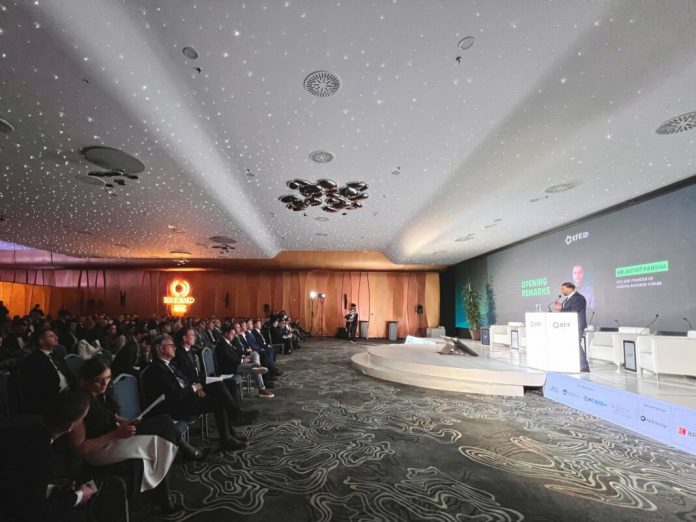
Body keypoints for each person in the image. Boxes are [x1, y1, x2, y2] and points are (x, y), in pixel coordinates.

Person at [67, 358, 196, 513]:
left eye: (108, 378)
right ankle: (165, 490)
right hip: (98, 451)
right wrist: (115, 434)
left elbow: (107, 415)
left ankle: (163, 493)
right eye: (99, 380)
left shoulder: (100, 394)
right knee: (159, 439)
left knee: (164, 422)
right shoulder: (79, 403)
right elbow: (80, 449)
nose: (105, 384)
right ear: (86, 380)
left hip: (113, 437)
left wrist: (123, 421)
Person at [0, 389, 97, 522]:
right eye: (82, 419)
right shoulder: (42, 456)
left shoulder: (15, 427)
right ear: (69, 426)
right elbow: (37, 512)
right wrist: (78, 496)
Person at [141, 334, 247, 451]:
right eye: (171, 345)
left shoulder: (171, 364)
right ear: (160, 348)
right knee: (219, 401)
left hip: (187, 396)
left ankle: (231, 424)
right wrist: (193, 388)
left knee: (218, 385)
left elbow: (185, 380)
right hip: (177, 406)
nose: (174, 348)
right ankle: (229, 432)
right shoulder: (156, 369)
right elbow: (172, 396)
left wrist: (196, 388)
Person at [20, 328, 78, 414]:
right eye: (51, 336)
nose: (56, 338)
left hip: (69, 392)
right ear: (41, 341)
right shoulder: (33, 360)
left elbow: (68, 374)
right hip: (53, 398)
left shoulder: (57, 355)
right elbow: (38, 387)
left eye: (56, 336)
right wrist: (63, 392)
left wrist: (76, 388)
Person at [555, 282, 590, 373]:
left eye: (563, 289)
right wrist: (560, 310)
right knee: (570, 344)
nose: (561, 291)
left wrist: (561, 309)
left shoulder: (579, 298)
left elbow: (574, 310)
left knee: (575, 344)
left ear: (570, 288)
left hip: (577, 325)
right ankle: (573, 364)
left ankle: (584, 366)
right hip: (569, 325)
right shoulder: (567, 299)